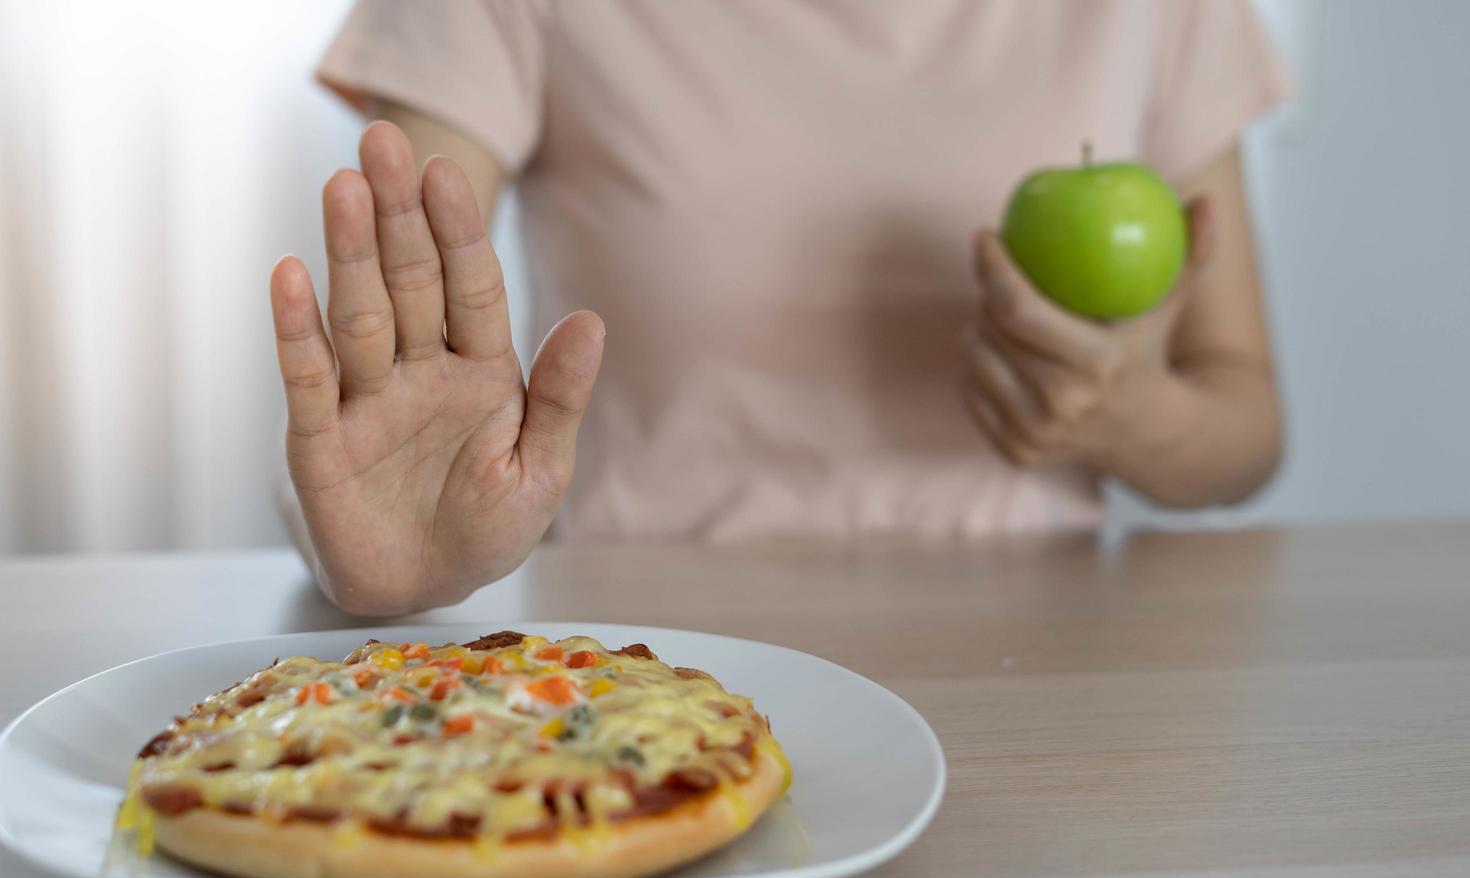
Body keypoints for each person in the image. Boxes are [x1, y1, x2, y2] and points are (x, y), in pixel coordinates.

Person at [270, 0, 1288, 614]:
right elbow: (374, 416)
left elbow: (1246, 421)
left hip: (1055, 667)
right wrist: (374, 544)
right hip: (650, 658)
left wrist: (1132, 419)